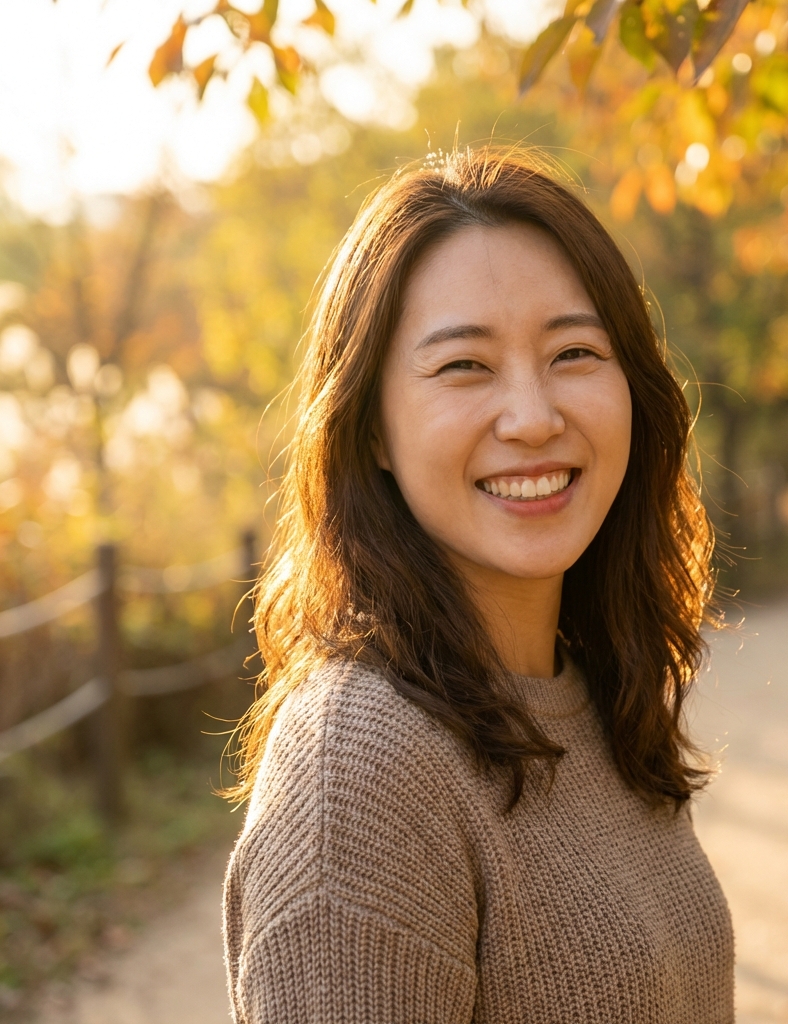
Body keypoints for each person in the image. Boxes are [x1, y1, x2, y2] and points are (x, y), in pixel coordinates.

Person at [222, 147, 734, 1023]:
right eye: (464, 366)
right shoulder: (360, 777)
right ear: (370, 427)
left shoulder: (594, 694)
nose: (533, 418)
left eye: (574, 352)